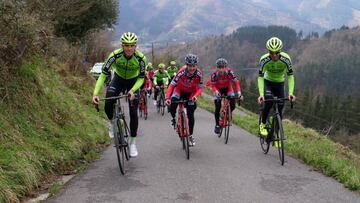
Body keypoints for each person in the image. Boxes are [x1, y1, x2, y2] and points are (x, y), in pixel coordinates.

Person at [92, 32, 147, 157]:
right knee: (108, 103)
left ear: (135, 46)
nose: (129, 48)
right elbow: (103, 75)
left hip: (133, 82)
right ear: (122, 45)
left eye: (131, 45)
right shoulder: (114, 56)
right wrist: (95, 93)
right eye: (126, 45)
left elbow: (141, 78)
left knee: (133, 112)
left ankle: (132, 143)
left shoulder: (141, 58)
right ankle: (112, 123)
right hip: (118, 80)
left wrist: (133, 90)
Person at [257, 37, 296, 147]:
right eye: (271, 53)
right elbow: (260, 77)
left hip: (280, 84)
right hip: (268, 82)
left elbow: (290, 76)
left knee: (280, 108)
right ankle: (263, 124)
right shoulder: (264, 60)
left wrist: (291, 93)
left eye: (276, 53)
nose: (274, 55)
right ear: (268, 52)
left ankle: (274, 134)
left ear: (280, 51)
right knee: (268, 102)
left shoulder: (286, 59)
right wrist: (261, 94)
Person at [165, 54, 203, 146]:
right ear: (186, 65)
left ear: (196, 65)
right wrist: (167, 98)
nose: (192, 68)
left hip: (191, 93)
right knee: (173, 103)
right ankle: (174, 118)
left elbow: (200, 88)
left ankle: (190, 135)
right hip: (180, 90)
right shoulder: (181, 72)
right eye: (190, 66)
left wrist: (196, 96)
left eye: (194, 66)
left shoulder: (199, 74)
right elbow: (172, 85)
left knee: (190, 114)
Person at [210, 58, 243, 134]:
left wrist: (239, 93)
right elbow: (213, 85)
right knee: (217, 106)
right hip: (218, 90)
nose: (221, 69)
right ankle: (217, 125)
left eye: (223, 67)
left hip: (228, 89)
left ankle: (227, 113)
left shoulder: (229, 72)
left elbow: (236, 82)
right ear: (217, 67)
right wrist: (215, 91)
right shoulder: (214, 74)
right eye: (219, 67)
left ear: (225, 67)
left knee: (233, 105)